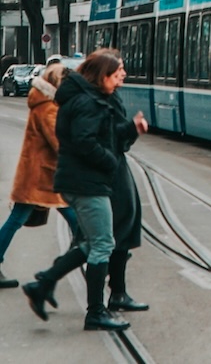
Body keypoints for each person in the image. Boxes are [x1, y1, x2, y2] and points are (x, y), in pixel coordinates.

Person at [23, 49, 149, 332]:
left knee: (95, 242)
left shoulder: (93, 99)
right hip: (87, 182)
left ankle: (43, 285)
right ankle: (94, 312)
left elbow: (111, 138)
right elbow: (84, 141)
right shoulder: (87, 102)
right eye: (118, 74)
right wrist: (108, 162)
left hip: (86, 181)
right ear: (103, 75)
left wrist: (130, 130)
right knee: (101, 243)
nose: (123, 78)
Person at [0, 64, 79, 290]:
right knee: (77, 220)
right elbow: (59, 142)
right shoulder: (48, 108)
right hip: (42, 176)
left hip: (42, 175)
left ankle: (84, 260)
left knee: (17, 219)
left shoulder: (46, 104)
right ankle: (87, 260)